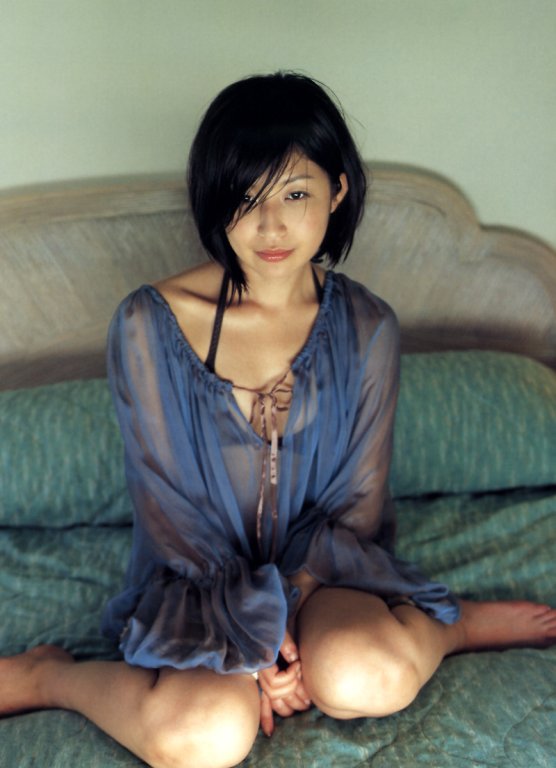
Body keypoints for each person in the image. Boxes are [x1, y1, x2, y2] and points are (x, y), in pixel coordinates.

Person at [2, 72, 556, 768]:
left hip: (327, 572)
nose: (270, 227)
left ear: (338, 191)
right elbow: (172, 517)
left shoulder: (368, 327)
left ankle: (450, 629)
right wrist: (255, 638)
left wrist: (288, 608)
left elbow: (356, 506)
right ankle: (50, 676)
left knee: (368, 677)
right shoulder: (150, 324)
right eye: (246, 199)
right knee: (201, 738)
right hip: (200, 583)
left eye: (295, 194)